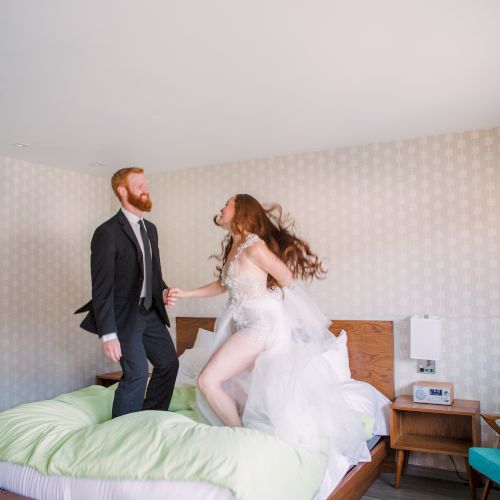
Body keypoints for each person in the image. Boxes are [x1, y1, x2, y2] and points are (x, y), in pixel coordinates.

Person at [168, 194, 367, 461]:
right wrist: (185, 294)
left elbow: (286, 277)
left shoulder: (254, 246)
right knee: (234, 385)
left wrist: (266, 301)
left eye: (228, 203)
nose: (221, 206)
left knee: (207, 380)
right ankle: (244, 427)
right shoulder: (235, 245)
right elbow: (222, 284)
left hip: (260, 326)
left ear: (241, 211)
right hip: (243, 326)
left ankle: (240, 435)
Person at [76, 167, 178, 418]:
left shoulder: (151, 229)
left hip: (150, 311)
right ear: (122, 191)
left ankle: (149, 417)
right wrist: (108, 334)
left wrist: (162, 291)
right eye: (140, 185)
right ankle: (121, 433)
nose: (147, 189)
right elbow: (102, 288)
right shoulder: (106, 232)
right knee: (137, 373)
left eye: (146, 184)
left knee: (168, 364)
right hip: (124, 316)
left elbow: (152, 274)